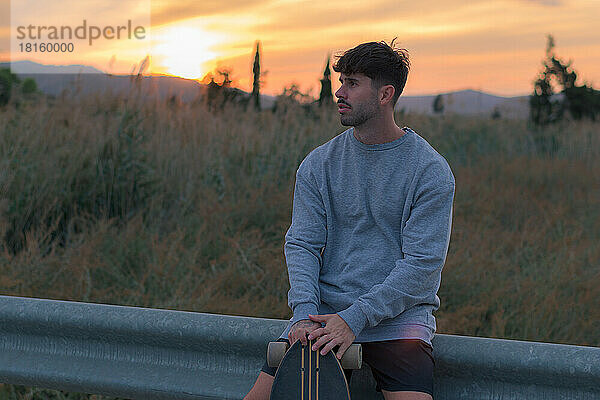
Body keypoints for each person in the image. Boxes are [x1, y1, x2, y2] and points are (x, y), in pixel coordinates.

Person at [244, 39, 455, 400]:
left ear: (385, 94)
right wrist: (304, 313)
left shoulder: (429, 171)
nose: (339, 92)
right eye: (341, 81)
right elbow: (302, 244)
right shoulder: (319, 164)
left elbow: (422, 266)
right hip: (322, 319)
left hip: (398, 323)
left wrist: (355, 319)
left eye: (352, 84)